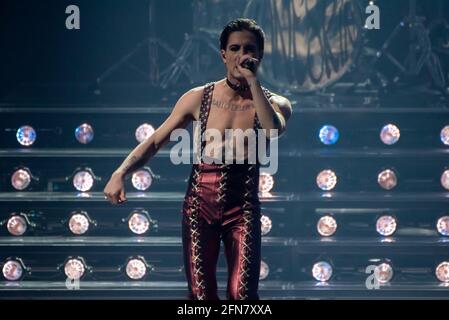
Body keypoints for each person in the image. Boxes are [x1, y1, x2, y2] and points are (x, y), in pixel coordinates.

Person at [104, 18, 292, 300]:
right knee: (201, 295)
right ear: (223, 54)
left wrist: (253, 82)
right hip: (198, 206)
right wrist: (121, 172)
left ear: (259, 55)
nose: (242, 55)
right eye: (235, 48)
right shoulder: (198, 97)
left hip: (243, 207)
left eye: (249, 49)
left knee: (241, 294)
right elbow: (156, 140)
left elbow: (272, 130)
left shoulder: (276, 103)